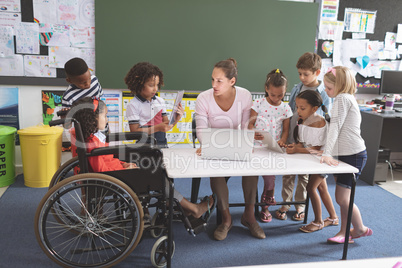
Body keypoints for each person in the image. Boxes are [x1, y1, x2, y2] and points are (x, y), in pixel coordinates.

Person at [70, 97, 215, 219]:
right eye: (104, 115)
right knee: (159, 176)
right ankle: (192, 208)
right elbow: (101, 167)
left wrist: (123, 164)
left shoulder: (90, 137)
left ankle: (179, 205)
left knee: (157, 170)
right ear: (92, 118)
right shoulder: (92, 141)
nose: (107, 119)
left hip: (112, 173)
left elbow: (105, 160)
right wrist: (124, 167)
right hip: (111, 178)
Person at [195, 58, 265, 240]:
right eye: (212, 80)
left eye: (219, 81)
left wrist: (245, 144)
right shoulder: (203, 98)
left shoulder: (244, 95)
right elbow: (201, 129)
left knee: (251, 169)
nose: (214, 85)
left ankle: (249, 216)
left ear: (232, 81)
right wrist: (208, 146)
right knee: (216, 173)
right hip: (214, 145)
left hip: (235, 143)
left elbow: (245, 126)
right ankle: (226, 220)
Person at [276, 52, 333, 221]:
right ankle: (285, 203)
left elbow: (325, 117)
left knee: (304, 175)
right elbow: (291, 111)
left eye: (305, 74)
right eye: (300, 73)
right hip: (294, 135)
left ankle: (300, 205)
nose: (302, 77)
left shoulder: (324, 92)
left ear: (317, 72)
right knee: (288, 173)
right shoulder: (296, 88)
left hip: (310, 140)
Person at [320, 66, 372, 244]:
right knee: (344, 198)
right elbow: (336, 128)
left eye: (329, 88)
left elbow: (335, 127)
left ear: (340, 85)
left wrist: (327, 153)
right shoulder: (346, 98)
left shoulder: (342, 98)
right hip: (345, 154)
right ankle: (344, 232)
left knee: (342, 198)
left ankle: (360, 228)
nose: (326, 91)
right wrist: (328, 151)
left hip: (353, 155)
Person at [286, 90, 338, 232]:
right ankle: (333, 217)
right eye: (297, 107)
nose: (298, 111)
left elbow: (316, 149)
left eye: (302, 108)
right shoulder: (302, 120)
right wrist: (295, 146)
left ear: (315, 109)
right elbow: (304, 144)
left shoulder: (319, 123)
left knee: (311, 188)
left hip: (322, 161)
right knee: (322, 188)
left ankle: (318, 221)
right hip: (312, 161)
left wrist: (297, 150)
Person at [248, 69, 292, 223]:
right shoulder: (258, 103)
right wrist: (253, 132)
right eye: (273, 95)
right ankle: (249, 207)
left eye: (280, 95)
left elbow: (286, 130)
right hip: (256, 147)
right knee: (251, 179)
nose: (276, 98)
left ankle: (265, 207)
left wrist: (282, 140)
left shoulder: (286, 108)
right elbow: (250, 124)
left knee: (270, 180)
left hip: (272, 149)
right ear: (266, 89)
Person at [124, 62, 183, 148]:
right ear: (139, 84)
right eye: (151, 85)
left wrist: (176, 119)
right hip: (144, 148)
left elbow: (165, 126)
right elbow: (134, 132)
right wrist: (158, 128)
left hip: (162, 145)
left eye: (157, 85)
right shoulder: (133, 105)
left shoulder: (160, 101)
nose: (155, 88)